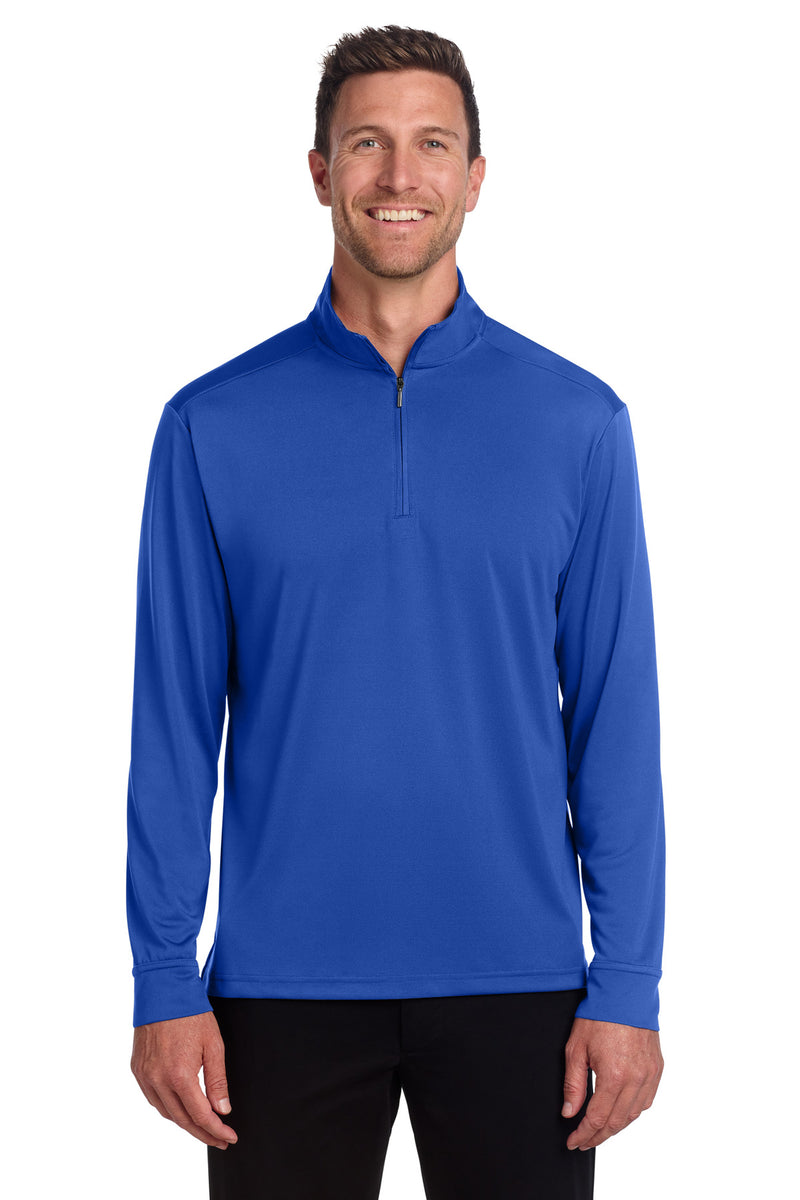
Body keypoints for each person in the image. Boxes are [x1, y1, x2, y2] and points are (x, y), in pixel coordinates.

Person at [127, 24, 665, 1200]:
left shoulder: (577, 423)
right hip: (279, 991)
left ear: (475, 177)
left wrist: (626, 984)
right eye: (366, 143)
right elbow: (172, 727)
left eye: (431, 144)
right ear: (320, 171)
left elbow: (614, 723)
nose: (397, 174)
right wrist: (163, 977)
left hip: (523, 985)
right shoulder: (211, 424)